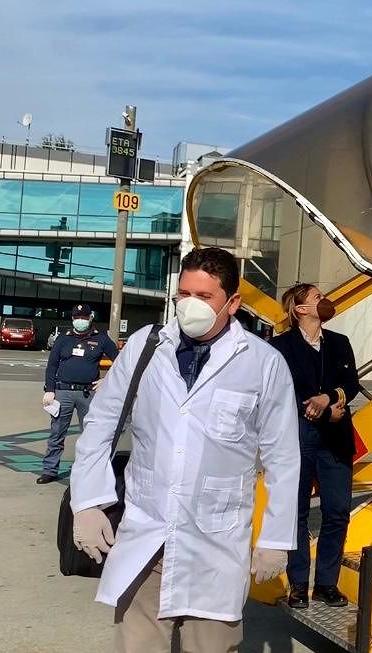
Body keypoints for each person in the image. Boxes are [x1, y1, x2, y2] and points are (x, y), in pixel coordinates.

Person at [69, 247, 300, 652]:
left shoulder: (263, 363)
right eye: (184, 294)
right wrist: (87, 502)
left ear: (232, 303)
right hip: (147, 536)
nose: (190, 305)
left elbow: (282, 458)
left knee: (211, 647)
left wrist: (276, 539)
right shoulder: (146, 346)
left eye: (204, 296)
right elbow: (100, 424)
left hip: (215, 545)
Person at [269, 283, 361, 609]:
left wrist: (331, 398)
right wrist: (318, 410)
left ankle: (326, 583)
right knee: (297, 512)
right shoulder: (280, 347)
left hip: (335, 440)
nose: (325, 301)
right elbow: (277, 390)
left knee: (337, 511)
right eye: (317, 297)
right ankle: (298, 584)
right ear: (300, 309)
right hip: (299, 437)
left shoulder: (339, 342)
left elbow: (352, 383)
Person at [37, 303, 118, 484]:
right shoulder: (63, 339)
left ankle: (88, 471)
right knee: (57, 433)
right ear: (72, 319)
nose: (80, 320)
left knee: (90, 435)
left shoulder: (101, 339)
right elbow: (52, 366)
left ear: (90, 318)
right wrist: (49, 390)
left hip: (88, 394)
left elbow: (121, 362)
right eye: (77, 317)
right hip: (63, 392)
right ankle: (50, 470)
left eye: (84, 317)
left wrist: (107, 381)